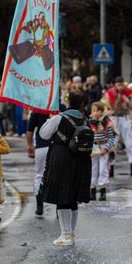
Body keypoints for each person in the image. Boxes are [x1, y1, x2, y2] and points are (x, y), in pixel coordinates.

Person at [39, 90, 91, 246]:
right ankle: (70, 234)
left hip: (62, 158)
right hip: (81, 159)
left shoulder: (59, 117)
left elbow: (44, 135)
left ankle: (65, 235)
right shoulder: (84, 118)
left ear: (68, 101)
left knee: (62, 195)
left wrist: (50, 121)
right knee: (73, 196)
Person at [103, 76, 132, 177]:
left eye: (121, 84)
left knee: (130, 143)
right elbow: (110, 108)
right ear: (115, 85)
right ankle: (111, 169)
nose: (120, 87)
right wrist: (117, 99)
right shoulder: (109, 93)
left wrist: (127, 101)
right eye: (118, 85)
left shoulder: (129, 92)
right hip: (114, 119)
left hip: (125, 118)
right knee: (113, 143)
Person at [27, 111, 51, 217]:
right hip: (57, 146)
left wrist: (29, 144)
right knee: (59, 175)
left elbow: (30, 130)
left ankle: (39, 206)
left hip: (41, 145)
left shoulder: (37, 109)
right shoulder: (61, 107)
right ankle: (59, 206)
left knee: (39, 175)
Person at [89, 102, 115, 201]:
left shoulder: (106, 123)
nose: (95, 113)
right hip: (93, 148)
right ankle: (92, 190)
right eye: (93, 110)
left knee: (103, 168)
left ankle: (103, 191)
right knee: (93, 169)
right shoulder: (89, 122)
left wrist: (106, 148)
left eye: (97, 111)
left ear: (101, 111)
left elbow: (111, 137)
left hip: (103, 147)